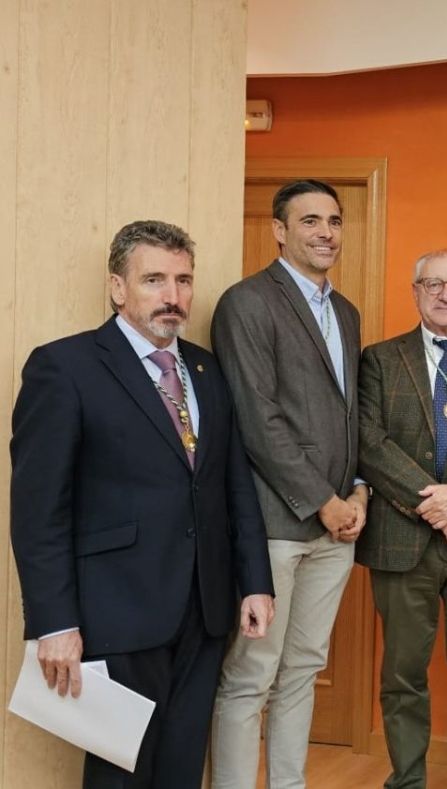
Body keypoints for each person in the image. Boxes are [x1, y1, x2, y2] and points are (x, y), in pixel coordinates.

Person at [10, 220, 275, 788]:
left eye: (183, 280)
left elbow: (233, 485)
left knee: (181, 767)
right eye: (154, 279)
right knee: (119, 773)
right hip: (116, 610)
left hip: (204, 609)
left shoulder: (207, 370)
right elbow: (39, 511)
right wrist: (54, 622)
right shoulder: (65, 368)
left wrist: (255, 580)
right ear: (117, 287)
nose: (173, 297)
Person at [211, 179, 367, 789]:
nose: (325, 232)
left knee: (304, 667)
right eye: (309, 221)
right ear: (279, 230)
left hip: (338, 524)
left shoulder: (346, 311)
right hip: (276, 522)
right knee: (253, 672)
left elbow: (349, 414)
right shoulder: (246, 303)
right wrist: (323, 501)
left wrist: (355, 491)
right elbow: (258, 419)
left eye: (333, 220)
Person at [356, 250, 447, 788]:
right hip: (401, 539)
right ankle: (407, 779)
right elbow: (369, 443)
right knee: (402, 676)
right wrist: (437, 507)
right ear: (415, 290)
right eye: (434, 284)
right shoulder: (380, 358)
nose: (445, 295)